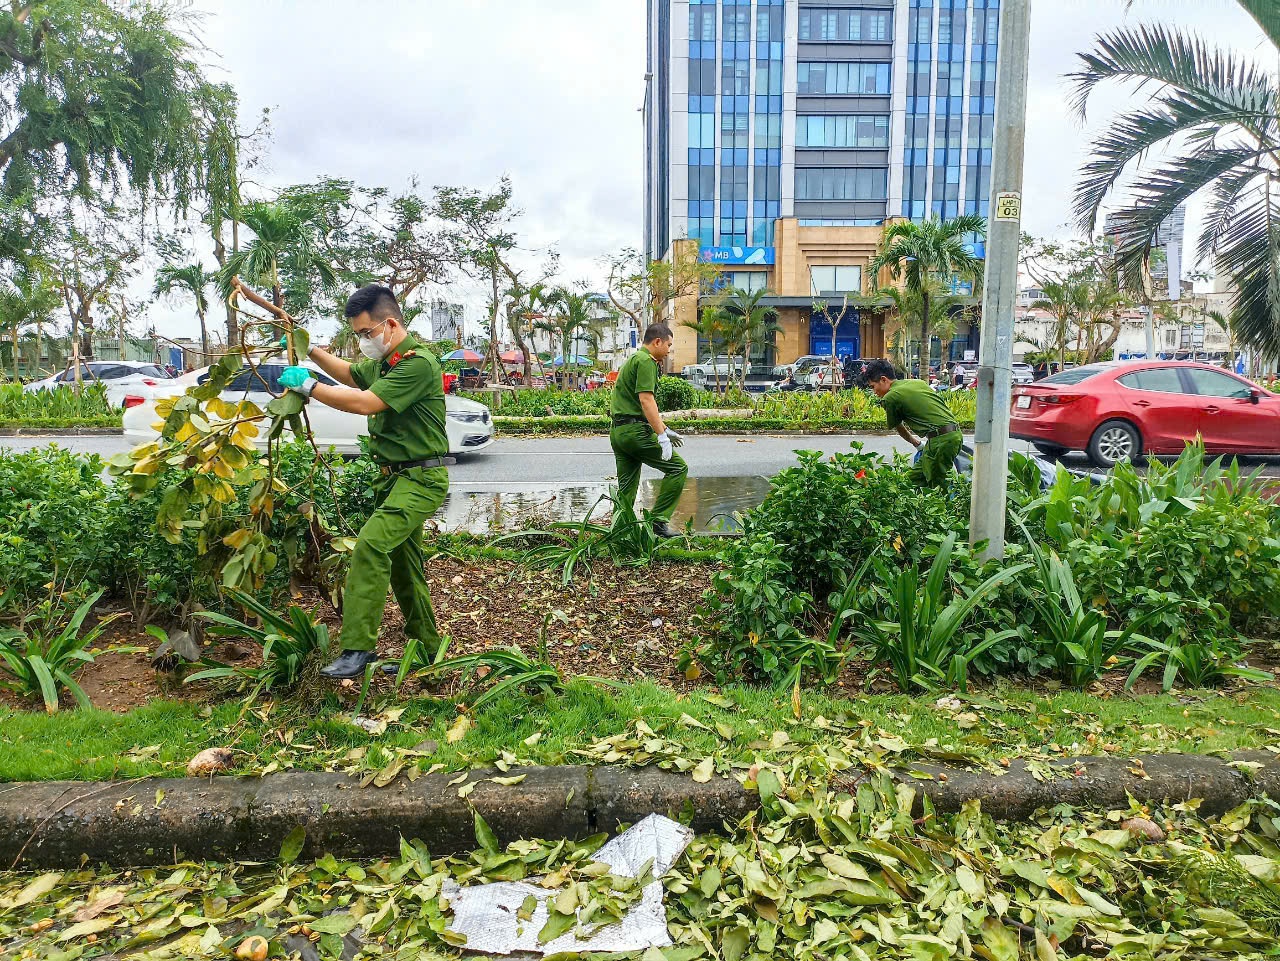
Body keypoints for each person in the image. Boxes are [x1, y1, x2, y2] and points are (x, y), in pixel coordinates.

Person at [277, 284, 449, 679]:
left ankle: (357, 649)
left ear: (390, 325)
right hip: (395, 480)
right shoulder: (387, 363)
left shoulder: (417, 364)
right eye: (357, 334)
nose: (362, 341)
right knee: (406, 569)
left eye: (365, 333)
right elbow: (351, 375)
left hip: (421, 479)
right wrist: (307, 347)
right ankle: (428, 654)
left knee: (370, 546)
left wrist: (309, 387)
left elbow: (365, 402)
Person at [609, 323, 688, 538]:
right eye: (668, 345)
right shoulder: (646, 361)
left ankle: (619, 535)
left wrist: (664, 428)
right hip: (636, 433)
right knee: (678, 468)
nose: (669, 350)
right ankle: (658, 523)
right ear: (657, 342)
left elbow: (632, 403)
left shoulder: (633, 359)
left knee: (627, 488)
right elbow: (646, 400)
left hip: (619, 432)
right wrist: (661, 436)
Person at [859, 357, 963, 488]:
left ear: (884, 379)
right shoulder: (917, 383)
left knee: (939, 487)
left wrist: (916, 443)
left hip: (940, 441)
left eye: (873, 387)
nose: (874, 392)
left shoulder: (890, 397)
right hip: (953, 435)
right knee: (912, 481)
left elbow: (899, 426)